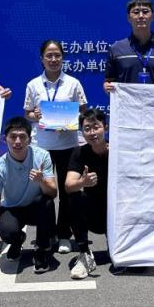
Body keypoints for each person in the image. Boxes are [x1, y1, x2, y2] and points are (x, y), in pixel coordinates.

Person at [24, 39, 87, 254]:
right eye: (49, 55)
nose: (53, 59)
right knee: (45, 191)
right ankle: (47, 233)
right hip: (42, 146)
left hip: (68, 145)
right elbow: (28, 113)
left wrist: (69, 117)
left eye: (57, 55)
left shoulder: (73, 83)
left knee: (68, 192)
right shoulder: (33, 84)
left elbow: (83, 111)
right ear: (42, 59)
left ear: (63, 58)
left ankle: (64, 234)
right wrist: (35, 115)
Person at [0, 116, 57, 273]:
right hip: (13, 208)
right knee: (7, 232)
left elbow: (53, 193)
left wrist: (41, 181)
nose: (17, 141)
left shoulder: (42, 156)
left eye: (22, 137)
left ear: (29, 139)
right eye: (13, 137)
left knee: (46, 201)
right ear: (5, 139)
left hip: (36, 207)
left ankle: (41, 249)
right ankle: (17, 240)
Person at [64, 108, 110, 279]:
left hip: (116, 213)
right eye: (87, 129)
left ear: (105, 127)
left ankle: (119, 248)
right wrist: (82, 182)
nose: (92, 132)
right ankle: (85, 254)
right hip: (93, 213)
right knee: (74, 196)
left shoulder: (118, 150)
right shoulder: (79, 152)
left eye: (96, 127)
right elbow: (68, 185)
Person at [103, 0, 154, 91]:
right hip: (127, 101)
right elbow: (108, 81)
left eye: (145, 12)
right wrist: (107, 87)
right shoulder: (116, 49)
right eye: (136, 12)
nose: (141, 16)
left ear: (152, 16)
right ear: (128, 18)